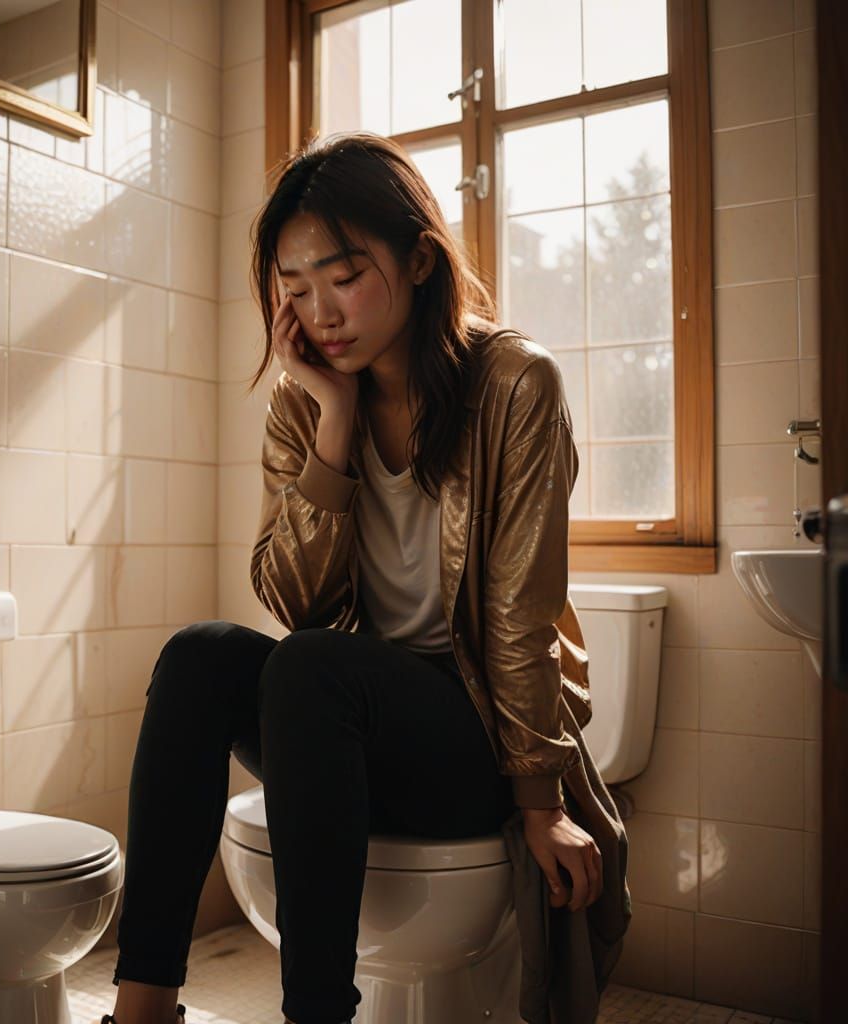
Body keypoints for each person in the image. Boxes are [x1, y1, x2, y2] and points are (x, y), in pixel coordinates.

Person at [103, 132, 608, 1024]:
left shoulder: (515, 385)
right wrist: (332, 420)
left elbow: (518, 614)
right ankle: (144, 1008)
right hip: (344, 713)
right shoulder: (304, 402)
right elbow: (295, 603)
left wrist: (541, 801)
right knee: (199, 656)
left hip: (476, 731)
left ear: (419, 259)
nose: (320, 311)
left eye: (342, 277)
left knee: (308, 667)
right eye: (294, 290)